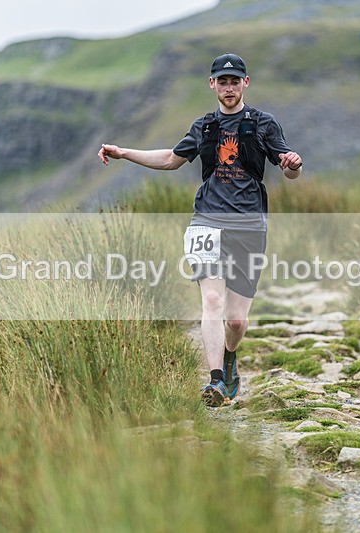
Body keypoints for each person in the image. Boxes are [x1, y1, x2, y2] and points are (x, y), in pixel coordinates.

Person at [98, 53, 302, 407]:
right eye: (222, 82)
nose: (228, 87)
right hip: (206, 221)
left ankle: (230, 359)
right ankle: (216, 380)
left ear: (245, 83)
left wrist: (292, 166)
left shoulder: (264, 124)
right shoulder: (204, 127)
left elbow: (288, 168)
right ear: (212, 84)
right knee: (211, 300)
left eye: (234, 81)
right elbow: (170, 159)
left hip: (250, 225)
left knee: (236, 322)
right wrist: (124, 153)